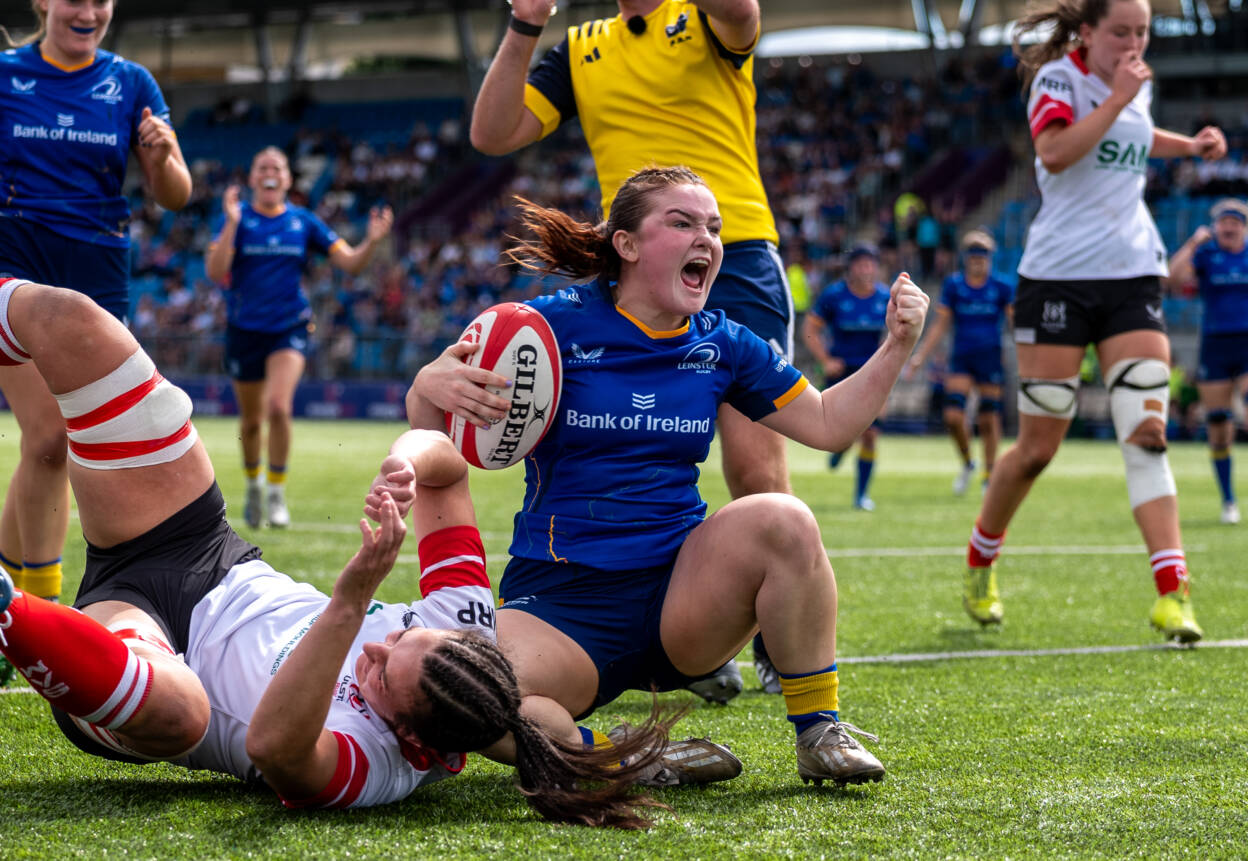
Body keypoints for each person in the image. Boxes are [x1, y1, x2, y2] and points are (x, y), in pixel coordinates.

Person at [0, 276, 685, 828]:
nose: (378, 646)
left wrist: (353, 599)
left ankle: (9, 607)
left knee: (181, 711)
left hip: (145, 660)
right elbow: (448, 468)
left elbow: (274, 747)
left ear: (416, 742)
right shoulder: (464, 625)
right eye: (402, 637)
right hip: (198, 549)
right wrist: (407, 460)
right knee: (71, 322)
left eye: (381, 676)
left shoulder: (375, 768)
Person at [408, 167, 931, 786]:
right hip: (560, 604)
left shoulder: (726, 342)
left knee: (784, 517)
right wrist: (426, 385)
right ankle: (628, 756)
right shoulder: (544, 327)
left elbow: (827, 423)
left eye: (713, 227)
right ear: (626, 244)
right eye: (682, 223)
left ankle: (820, 731)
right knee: (459, 694)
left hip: (681, 597)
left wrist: (896, 346)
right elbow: (442, 441)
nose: (706, 239)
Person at [469, 0, 792, 701]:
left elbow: (742, 13)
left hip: (733, 251)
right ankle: (677, 633)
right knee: (625, 448)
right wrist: (526, 22)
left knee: (754, 464)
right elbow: (492, 133)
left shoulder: (701, 18)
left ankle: (774, 642)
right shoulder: (581, 47)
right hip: (639, 264)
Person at [961, 0, 1227, 641]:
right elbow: (1055, 152)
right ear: (1087, 32)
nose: (1134, 43)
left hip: (1133, 275)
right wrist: (1120, 97)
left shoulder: (1135, 83)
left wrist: (1187, 146)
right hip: (1056, 280)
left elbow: (1133, 138)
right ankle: (980, 560)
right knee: (1037, 450)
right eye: (1121, 32)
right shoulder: (1059, 79)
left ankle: (1173, 592)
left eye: (1143, 32)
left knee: (1147, 431)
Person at [0, 0, 190, 623]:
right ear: (43, 3)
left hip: (98, 275)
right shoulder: (7, 74)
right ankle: (41, 614)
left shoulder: (132, 82)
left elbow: (176, 195)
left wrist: (162, 156)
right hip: (15, 261)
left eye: (100, 0)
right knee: (50, 437)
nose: (89, 11)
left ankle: (7, 600)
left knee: (55, 443)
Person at [205, 147, 393, 530]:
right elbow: (214, 271)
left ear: (288, 179)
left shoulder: (303, 221)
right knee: (251, 421)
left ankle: (276, 493)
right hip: (244, 330)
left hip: (289, 327)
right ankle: (254, 485)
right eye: (262, 167)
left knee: (278, 407)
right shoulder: (236, 219)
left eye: (277, 167)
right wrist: (231, 222)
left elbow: (351, 263)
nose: (270, 173)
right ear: (252, 178)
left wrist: (372, 241)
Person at [906, 230, 1015, 495]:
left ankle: (989, 475)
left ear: (990, 259)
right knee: (953, 416)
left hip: (990, 357)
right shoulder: (954, 286)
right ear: (967, 259)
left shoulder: (1002, 287)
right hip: (962, 357)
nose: (979, 264)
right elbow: (940, 325)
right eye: (974, 259)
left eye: (983, 259)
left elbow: (1014, 322)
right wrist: (920, 357)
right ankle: (968, 462)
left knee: (988, 418)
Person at [1165, 197, 1248, 525]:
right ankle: (1228, 500)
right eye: (1224, 221)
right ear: (1215, 227)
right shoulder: (1206, 255)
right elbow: (1171, 280)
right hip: (1215, 344)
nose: (1229, 227)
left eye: (1235, 222)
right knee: (1218, 426)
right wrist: (1193, 243)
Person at [803, 244, 891, 512]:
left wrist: (886, 364)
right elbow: (810, 329)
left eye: (870, 264)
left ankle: (861, 495)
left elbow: (894, 334)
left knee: (871, 434)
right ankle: (841, 448)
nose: (866, 269)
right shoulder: (834, 295)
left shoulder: (885, 297)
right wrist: (825, 361)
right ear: (850, 268)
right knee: (841, 432)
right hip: (840, 374)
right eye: (861, 264)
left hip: (871, 374)